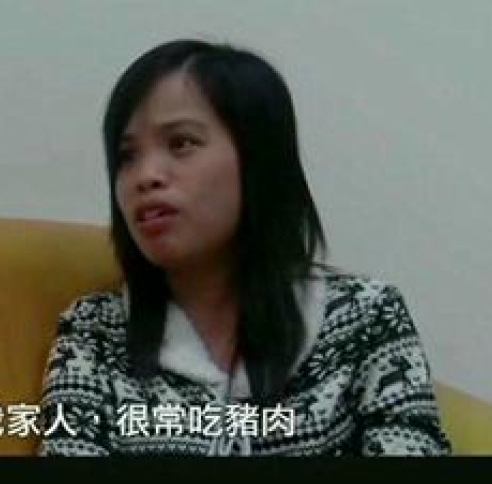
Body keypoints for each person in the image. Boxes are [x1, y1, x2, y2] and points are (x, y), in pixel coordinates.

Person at [37, 39, 452, 456]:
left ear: (258, 158)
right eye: (127, 156)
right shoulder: (94, 333)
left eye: (181, 143)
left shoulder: (366, 317)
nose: (145, 176)